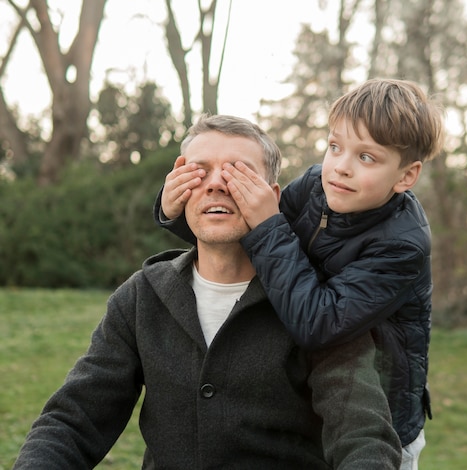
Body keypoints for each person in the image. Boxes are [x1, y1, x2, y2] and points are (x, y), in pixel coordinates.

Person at [12, 115, 402, 469]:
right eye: (199, 171)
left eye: (238, 173)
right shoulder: (141, 297)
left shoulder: (318, 306)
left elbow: (362, 434)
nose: (216, 183)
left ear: (273, 196)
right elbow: (73, 420)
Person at [155, 79, 444, 470]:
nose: (341, 167)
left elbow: (319, 322)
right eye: (335, 147)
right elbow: (247, 245)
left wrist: (269, 223)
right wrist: (174, 212)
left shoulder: (402, 246)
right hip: (311, 397)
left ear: (406, 176)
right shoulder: (314, 185)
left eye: (367, 158)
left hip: (376, 417)